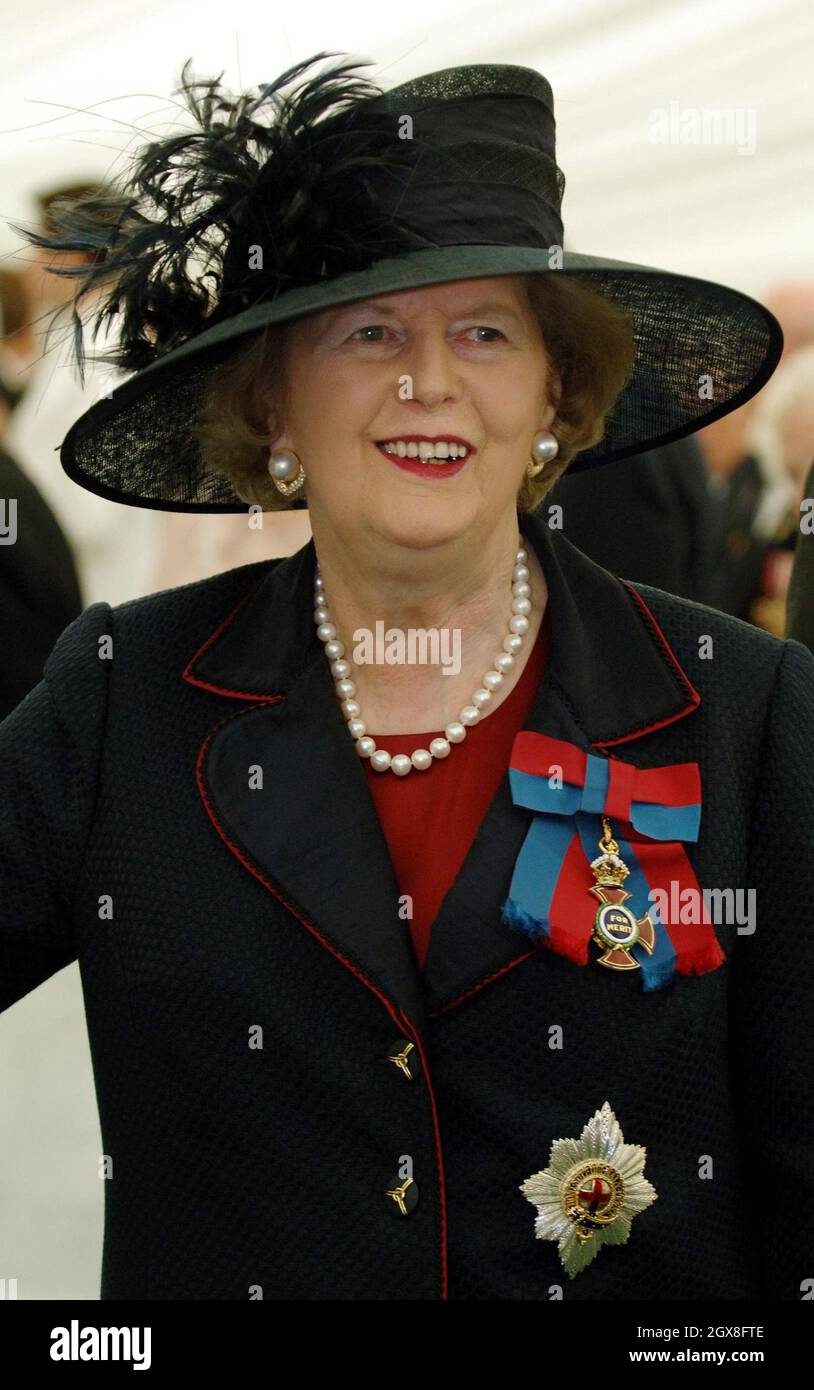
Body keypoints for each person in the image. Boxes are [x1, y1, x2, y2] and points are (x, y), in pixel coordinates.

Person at [1, 51, 811, 1301]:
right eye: (367, 331)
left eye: (484, 332)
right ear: (272, 406)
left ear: (557, 390)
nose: (427, 380)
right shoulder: (125, 693)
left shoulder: (748, 710)